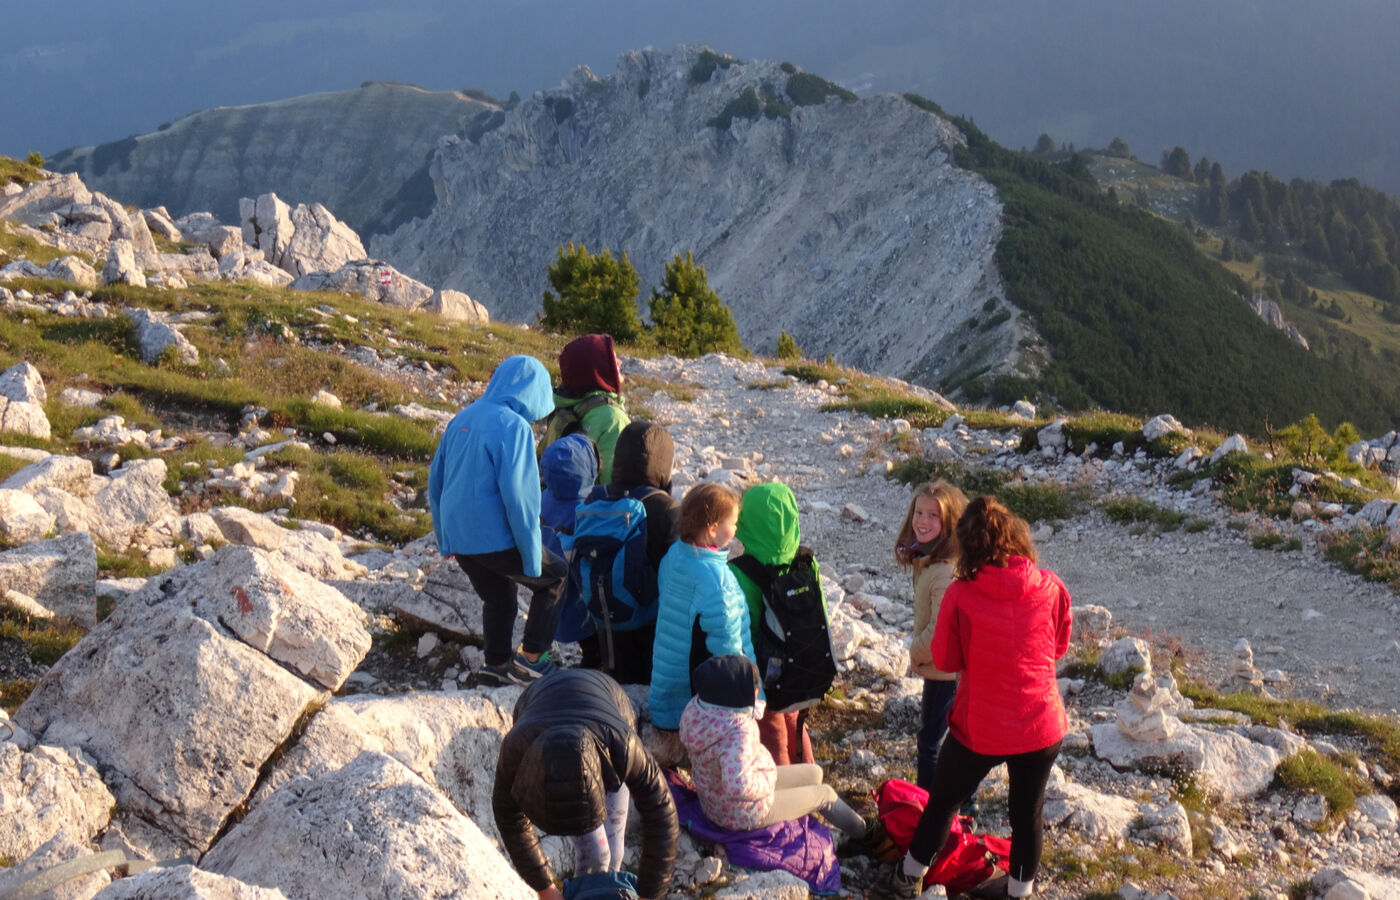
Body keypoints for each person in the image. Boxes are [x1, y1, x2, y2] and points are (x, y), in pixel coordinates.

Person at [874, 497, 1072, 900]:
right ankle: (1019, 892)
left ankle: (908, 877)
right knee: (1026, 814)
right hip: (1041, 723)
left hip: (980, 725)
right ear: (1017, 537)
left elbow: (946, 659)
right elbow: (1058, 646)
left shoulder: (962, 594)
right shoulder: (1050, 585)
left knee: (944, 799)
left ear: (966, 546)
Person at [428, 354, 566, 687]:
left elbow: (436, 482)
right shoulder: (513, 426)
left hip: (461, 539)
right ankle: (533, 658)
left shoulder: (464, 416)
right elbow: (520, 498)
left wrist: (445, 539)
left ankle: (496, 664)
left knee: (500, 597)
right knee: (556, 578)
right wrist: (532, 554)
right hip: (493, 538)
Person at [493, 668, 679, 900]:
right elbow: (510, 820)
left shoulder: (624, 746)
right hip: (536, 704)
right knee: (597, 853)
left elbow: (661, 814)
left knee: (614, 849)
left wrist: (649, 895)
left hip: (611, 707)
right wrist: (544, 887)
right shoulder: (516, 752)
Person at [679, 654, 865, 836]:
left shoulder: (698, 709)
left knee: (815, 773)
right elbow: (738, 786)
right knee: (825, 794)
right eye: (753, 686)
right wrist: (767, 781)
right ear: (735, 693)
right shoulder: (738, 731)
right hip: (743, 814)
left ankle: (823, 819)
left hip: (716, 800)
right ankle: (866, 832)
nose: (757, 690)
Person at [648, 482, 755, 767]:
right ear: (712, 529)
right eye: (732, 523)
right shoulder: (718, 580)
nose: (736, 529)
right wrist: (749, 694)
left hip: (667, 685)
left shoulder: (673, 557)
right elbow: (729, 648)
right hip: (701, 702)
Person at [729, 481, 826, 765]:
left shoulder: (739, 572)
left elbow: (745, 625)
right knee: (795, 722)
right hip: (803, 662)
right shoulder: (806, 561)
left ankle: (786, 799)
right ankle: (810, 779)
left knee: (772, 733)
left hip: (767, 671)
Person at [578, 420, 680, 683]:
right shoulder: (665, 508)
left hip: (604, 618)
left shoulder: (595, 498)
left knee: (616, 678)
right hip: (649, 625)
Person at [894, 480, 969, 791]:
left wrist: (914, 653)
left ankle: (931, 809)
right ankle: (956, 805)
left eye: (933, 516)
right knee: (946, 739)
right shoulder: (926, 557)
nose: (922, 522)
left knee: (931, 743)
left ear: (949, 522)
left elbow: (939, 629)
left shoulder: (943, 570)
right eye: (919, 512)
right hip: (942, 667)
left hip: (944, 670)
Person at [540, 333, 630, 485]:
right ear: (597, 369)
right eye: (613, 360)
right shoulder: (613, 418)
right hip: (589, 507)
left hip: (553, 505)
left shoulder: (562, 407)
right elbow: (615, 489)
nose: (620, 362)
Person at [539, 433, 599, 648]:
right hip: (577, 593)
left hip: (547, 584)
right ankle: (593, 660)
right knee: (587, 633)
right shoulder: (587, 509)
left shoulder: (544, 498)